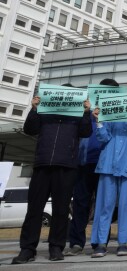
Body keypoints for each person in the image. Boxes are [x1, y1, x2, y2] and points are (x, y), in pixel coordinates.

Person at [12, 85, 92, 265]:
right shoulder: (44, 112)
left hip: (67, 165)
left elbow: (86, 132)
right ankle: (27, 249)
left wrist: (86, 113)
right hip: (42, 164)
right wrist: (33, 109)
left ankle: (56, 247)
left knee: (61, 209)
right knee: (34, 209)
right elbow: (30, 129)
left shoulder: (77, 115)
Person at [66, 78, 119, 256]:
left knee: (105, 205)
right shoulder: (86, 111)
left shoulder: (118, 113)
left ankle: (100, 241)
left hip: (106, 165)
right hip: (85, 162)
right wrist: (87, 112)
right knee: (80, 203)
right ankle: (76, 242)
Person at [90, 106, 127, 258]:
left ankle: (123, 243)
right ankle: (100, 243)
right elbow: (103, 138)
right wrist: (99, 122)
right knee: (104, 205)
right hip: (108, 164)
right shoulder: (109, 117)